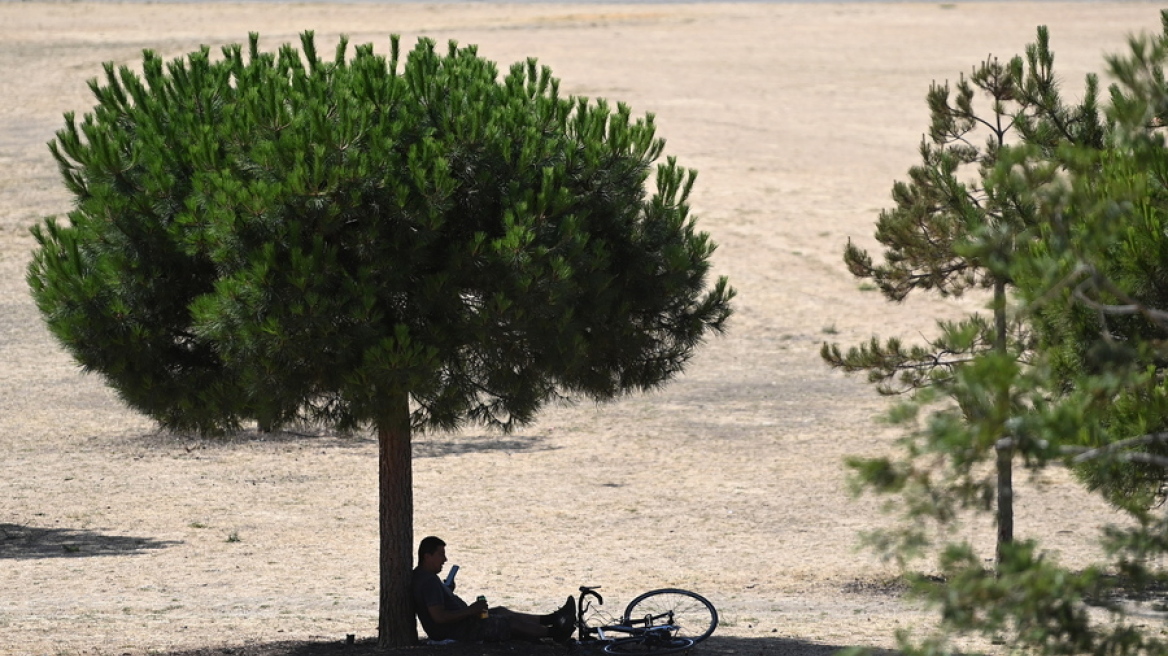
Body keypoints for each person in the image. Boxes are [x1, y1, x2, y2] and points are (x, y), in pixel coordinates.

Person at [411, 536, 575, 643]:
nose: (445, 559)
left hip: (461, 624)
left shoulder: (424, 576)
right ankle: (555, 633)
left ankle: (552, 619)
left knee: (502, 611)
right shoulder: (428, 581)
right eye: (440, 554)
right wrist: (470, 611)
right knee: (507, 622)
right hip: (459, 630)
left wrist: (448, 591)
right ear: (427, 556)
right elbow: (439, 617)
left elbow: (437, 605)